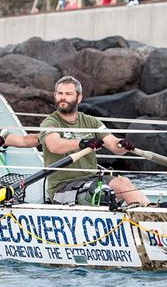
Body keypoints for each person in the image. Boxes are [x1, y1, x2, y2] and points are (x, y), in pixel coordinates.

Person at [40, 76, 149, 206]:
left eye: (68, 94)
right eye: (60, 93)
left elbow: (114, 145)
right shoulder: (50, 122)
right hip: (62, 188)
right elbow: (54, 146)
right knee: (101, 195)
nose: (63, 97)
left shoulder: (91, 121)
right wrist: (82, 143)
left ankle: (152, 213)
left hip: (92, 180)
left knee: (123, 183)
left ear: (79, 98)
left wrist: (123, 144)